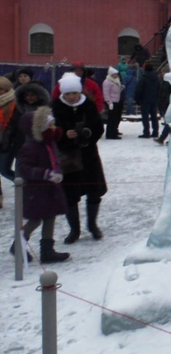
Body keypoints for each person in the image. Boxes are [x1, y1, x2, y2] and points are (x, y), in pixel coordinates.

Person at [52, 73, 107, 243]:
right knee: (70, 195)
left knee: (94, 191)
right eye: (68, 94)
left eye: (74, 93)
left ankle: (92, 225)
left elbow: (98, 128)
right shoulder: (55, 107)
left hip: (88, 155)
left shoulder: (88, 106)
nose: (71, 97)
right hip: (68, 157)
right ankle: (74, 230)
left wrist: (88, 133)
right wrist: (64, 134)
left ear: (79, 92)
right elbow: (51, 131)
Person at [12, 107, 70, 263]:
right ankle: (18, 243)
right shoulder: (30, 147)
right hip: (36, 190)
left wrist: (57, 173)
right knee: (36, 219)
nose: (53, 128)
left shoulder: (49, 143)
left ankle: (47, 250)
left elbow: (54, 160)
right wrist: (45, 173)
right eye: (49, 125)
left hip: (50, 187)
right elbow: (24, 168)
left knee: (50, 216)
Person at [0, 77, 18, 209]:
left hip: (9, 142)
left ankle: (25, 183)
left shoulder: (14, 103)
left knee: (4, 170)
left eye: (0, 89)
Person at [135, 62, 161, 138]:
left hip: (144, 100)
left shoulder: (143, 78)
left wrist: (137, 99)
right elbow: (159, 88)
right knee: (154, 116)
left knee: (145, 117)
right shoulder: (157, 78)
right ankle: (155, 132)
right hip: (154, 99)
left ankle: (146, 132)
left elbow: (139, 89)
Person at [102, 66, 124, 139]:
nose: (116, 75)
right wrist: (109, 102)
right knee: (112, 119)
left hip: (117, 101)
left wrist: (121, 88)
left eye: (117, 74)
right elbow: (106, 93)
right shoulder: (107, 82)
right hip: (112, 102)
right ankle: (110, 134)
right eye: (115, 74)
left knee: (116, 118)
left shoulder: (116, 81)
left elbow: (116, 92)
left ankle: (114, 132)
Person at [155, 78, 171, 144]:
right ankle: (164, 138)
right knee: (169, 123)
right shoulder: (164, 82)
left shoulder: (165, 83)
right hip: (166, 104)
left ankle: (163, 138)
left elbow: (163, 95)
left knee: (169, 123)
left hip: (167, 104)